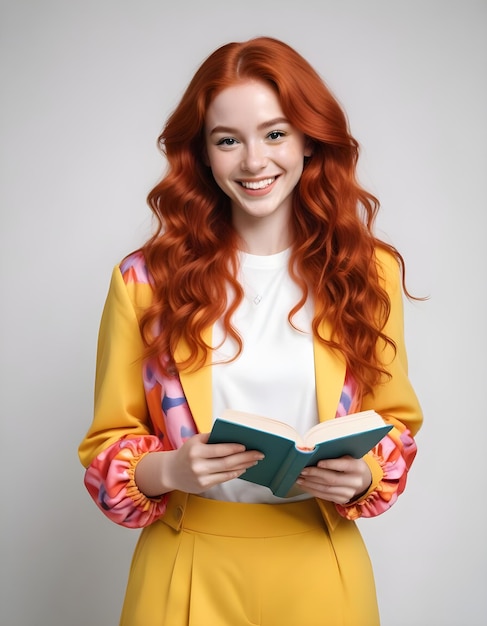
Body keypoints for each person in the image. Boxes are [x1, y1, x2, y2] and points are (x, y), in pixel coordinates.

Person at [78, 36, 423, 626]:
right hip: (184, 567)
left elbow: (396, 425)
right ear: (204, 154)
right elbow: (105, 448)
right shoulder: (144, 281)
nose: (255, 162)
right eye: (228, 140)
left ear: (310, 138)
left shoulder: (368, 272)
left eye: (275, 133)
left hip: (321, 565)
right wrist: (170, 470)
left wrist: (363, 473)